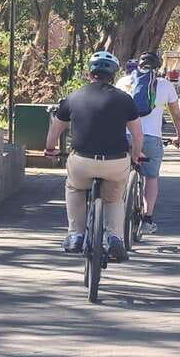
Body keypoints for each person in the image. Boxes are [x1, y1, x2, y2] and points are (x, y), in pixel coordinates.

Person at [44, 51, 143, 263]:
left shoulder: (74, 96)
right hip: (116, 162)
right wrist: (136, 155)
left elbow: (55, 129)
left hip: (82, 161)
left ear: (90, 73)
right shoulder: (124, 100)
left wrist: (50, 149)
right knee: (114, 198)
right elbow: (137, 134)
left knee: (75, 188)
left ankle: (75, 235)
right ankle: (115, 237)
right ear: (114, 75)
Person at [116, 51, 180, 234]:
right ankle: (147, 219)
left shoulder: (124, 82)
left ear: (139, 65)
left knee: (117, 173)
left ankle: (114, 214)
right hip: (151, 138)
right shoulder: (165, 85)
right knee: (151, 177)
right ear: (158, 67)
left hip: (124, 136)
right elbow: (176, 115)